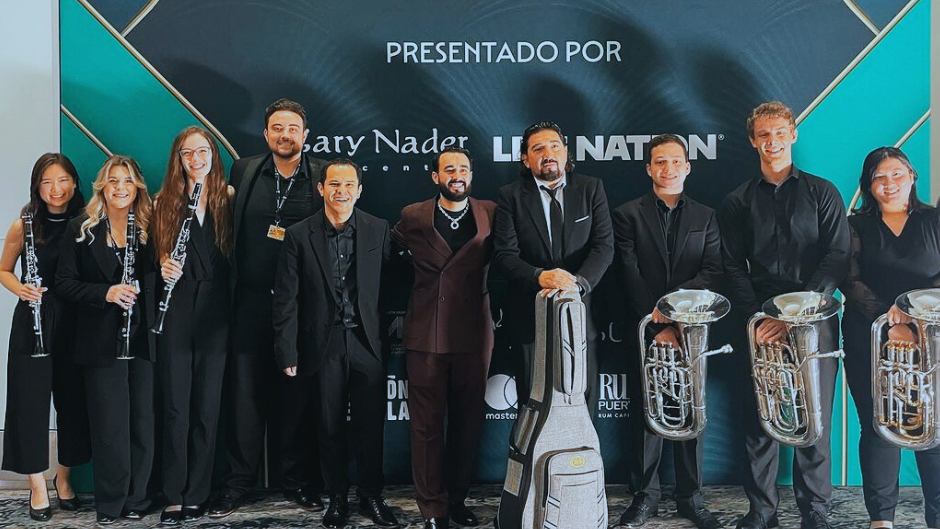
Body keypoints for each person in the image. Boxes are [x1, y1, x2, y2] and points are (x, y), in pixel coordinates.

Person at [718, 101, 850, 529]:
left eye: (779, 132)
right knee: (760, 418)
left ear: (793, 134)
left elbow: (837, 254)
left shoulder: (822, 191)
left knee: (814, 418)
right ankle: (762, 512)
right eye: (763, 134)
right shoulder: (737, 200)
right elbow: (732, 265)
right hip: (760, 321)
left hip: (815, 316)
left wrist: (798, 312)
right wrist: (758, 319)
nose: (772, 141)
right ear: (753, 140)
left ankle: (815, 512)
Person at [210, 98, 326, 517]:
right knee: (244, 397)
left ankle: (295, 482)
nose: (285, 134)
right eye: (277, 127)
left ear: (304, 135)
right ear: (266, 135)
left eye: (292, 127)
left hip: (301, 308)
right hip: (250, 303)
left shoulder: (321, 176)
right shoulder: (245, 170)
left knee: (296, 397)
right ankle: (237, 483)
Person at [273, 159, 396, 528]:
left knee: (370, 425)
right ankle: (337, 498)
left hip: (367, 343)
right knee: (327, 426)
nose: (341, 190)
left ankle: (371, 497)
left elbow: (391, 286)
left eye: (349, 184)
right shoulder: (298, 234)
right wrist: (287, 349)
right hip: (320, 345)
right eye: (334, 184)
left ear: (359, 190)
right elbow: (286, 298)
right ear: (321, 189)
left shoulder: (379, 228)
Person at [612, 134, 723, 529]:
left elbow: (712, 268)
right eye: (660, 162)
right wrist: (656, 318)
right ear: (648, 168)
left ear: (687, 167)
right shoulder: (627, 214)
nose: (668, 169)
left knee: (693, 410)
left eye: (676, 161)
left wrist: (676, 316)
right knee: (647, 413)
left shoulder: (707, 216)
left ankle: (690, 497)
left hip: (690, 326)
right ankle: (645, 496)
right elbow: (628, 271)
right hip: (646, 325)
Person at [390, 148, 496, 529]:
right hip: (425, 331)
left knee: (468, 424)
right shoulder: (413, 215)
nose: (457, 174)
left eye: (463, 168)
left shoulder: (491, 213)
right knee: (426, 427)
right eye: (449, 168)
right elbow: (393, 258)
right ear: (435, 176)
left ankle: (458, 500)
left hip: (473, 332)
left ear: (471, 175)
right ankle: (432, 509)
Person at [840, 147, 940, 529]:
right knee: (880, 425)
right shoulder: (855, 225)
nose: (889, 183)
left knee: (932, 424)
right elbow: (849, 280)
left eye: (897, 174)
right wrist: (889, 319)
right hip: (869, 335)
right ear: (868, 185)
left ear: (912, 177)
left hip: (930, 338)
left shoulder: (935, 220)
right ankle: (881, 520)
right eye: (879, 177)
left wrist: (914, 319)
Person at [55, 155, 156, 525]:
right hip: (99, 342)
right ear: (102, 186)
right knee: (110, 426)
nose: (120, 188)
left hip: (142, 340)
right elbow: (64, 283)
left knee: (142, 422)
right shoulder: (81, 227)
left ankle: (139, 499)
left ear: (137, 187)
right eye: (113, 181)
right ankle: (111, 503)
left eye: (127, 181)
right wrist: (106, 293)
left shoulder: (148, 226)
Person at [492, 120, 613, 414]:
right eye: (538, 148)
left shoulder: (591, 188)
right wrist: (539, 277)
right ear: (526, 158)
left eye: (554, 146)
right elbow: (505, 255)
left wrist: (578, 284)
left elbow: (604, 247)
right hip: (530, 319)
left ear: (565, 152)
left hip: (580, 315)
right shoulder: (510, 196)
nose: (548, 153)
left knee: (582, 407)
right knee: (533, 410)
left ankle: (584, 462)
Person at [0, 153, 90, 522]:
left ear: (74, 182)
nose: (56, 189)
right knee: (29, 402)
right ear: (37, 187)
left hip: (76, 318)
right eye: (47, 182)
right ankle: (37, 483)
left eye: (63, 180)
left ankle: (63, 477)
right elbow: (4, 270)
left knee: (74, 400)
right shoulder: (24, 223)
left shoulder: (88, 220)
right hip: (34, 318)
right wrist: (21, 289)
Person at [150, 127, 233, 524]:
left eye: (203, 151)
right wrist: (162, 266)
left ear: (213, 155)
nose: (196, 159)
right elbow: (148, 261)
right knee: (175, 406)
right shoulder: (162, 202)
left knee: (207, 406)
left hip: (217, 309)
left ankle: (199, 491)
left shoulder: (227, 199)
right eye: (188, 153)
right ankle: (173, 493)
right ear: (177, 159)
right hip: (177, 306)